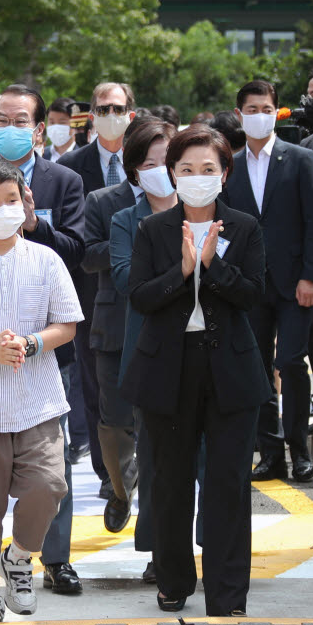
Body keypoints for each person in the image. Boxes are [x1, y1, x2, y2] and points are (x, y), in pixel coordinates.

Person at [123, 125, 270, 616]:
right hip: (168, 368)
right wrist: (183, 271)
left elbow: (253, 295)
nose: (197, 177)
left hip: (230, 368)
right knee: (169, 481)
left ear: (225, 175)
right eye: (186, 170)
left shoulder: (245, 227)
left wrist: (215, 267)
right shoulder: (152, 229)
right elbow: (141, 298)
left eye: (208, 169)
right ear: (172, 175)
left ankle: (228, 594)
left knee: (229, 484)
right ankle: (173, 580)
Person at [0, 84, 86, 595]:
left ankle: (44, 558)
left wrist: (33, 227)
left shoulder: (64, 181)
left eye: (20, 119)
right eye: (0, 118)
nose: (10, 126)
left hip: (42, 369)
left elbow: (76, 250)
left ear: (36, 126)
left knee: (50, 478)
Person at [220, 80, 313, 483]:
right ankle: (271, 452)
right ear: (239, 114)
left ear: (276, 111)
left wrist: (311, 275)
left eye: (266, 108)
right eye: (251, 109)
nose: (258, 115)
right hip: (249, 286)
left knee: (290, 362)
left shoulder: (300, 159)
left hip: (296, 283)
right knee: (257, 368)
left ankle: (299, 449)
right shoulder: (231, 166)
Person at [59, 82, 138, 499]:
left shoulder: (150, 162)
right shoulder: (73, 166)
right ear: (91, 114)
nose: (111, 114)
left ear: (131, 112)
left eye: (118, 107)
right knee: (95, 385)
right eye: (102, 108)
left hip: (146, 290)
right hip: (90, 289)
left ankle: (138, 458)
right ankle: (108, 472)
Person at [109, 117, 178, 584]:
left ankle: (210, 543)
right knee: (156, 459)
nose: (160, 171)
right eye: (149, 163)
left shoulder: (216, 210)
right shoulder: (124, 220)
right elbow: (127, 282)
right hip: (152, 351)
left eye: (167, 161)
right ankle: (161, 552)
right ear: (134, 170)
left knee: (205, 460)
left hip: (209, 349)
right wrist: (186, 270)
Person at [44, 98, 77, 163]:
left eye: (62, 122)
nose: (56, 127)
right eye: (52, 122)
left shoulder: (85, 157)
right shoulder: (40, 155)